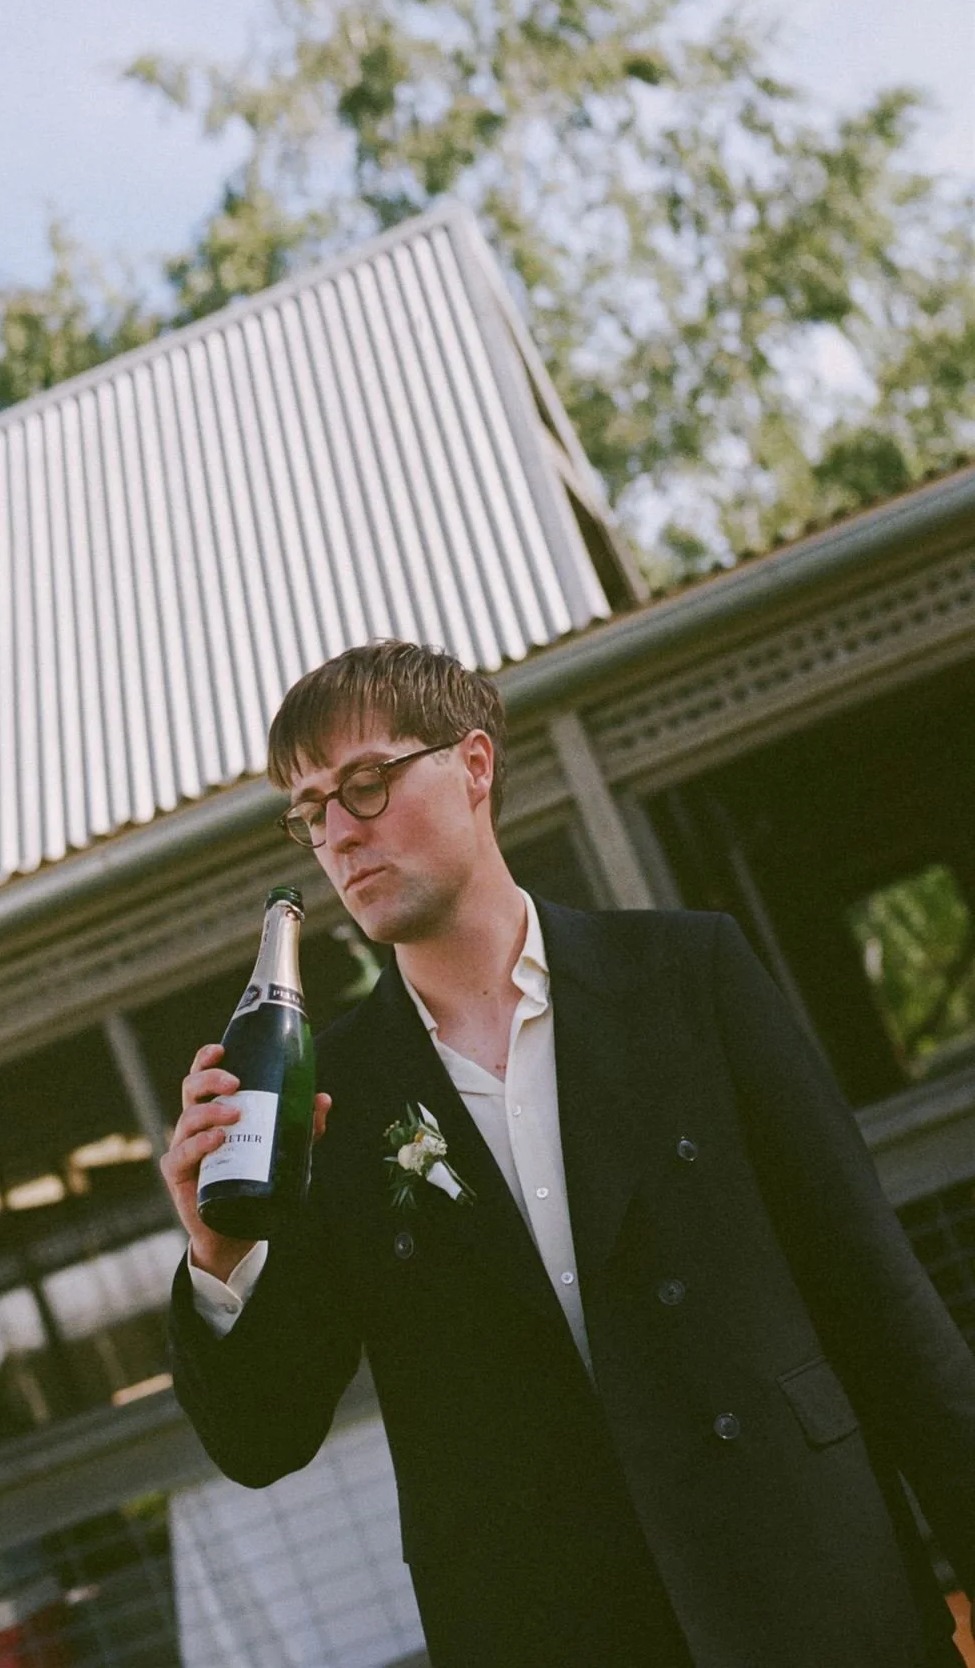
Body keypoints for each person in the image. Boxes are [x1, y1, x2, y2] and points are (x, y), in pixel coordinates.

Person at [163, 641, 975, 1667]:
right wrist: (216, 1252)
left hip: (812, 1595)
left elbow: (879, 1304)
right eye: (310, 807)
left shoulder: (688, 976)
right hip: (545, 1625)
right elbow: (263, 1436)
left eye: (363, 782)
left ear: (472, 764)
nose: (336, 830)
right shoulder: (330, 1098)